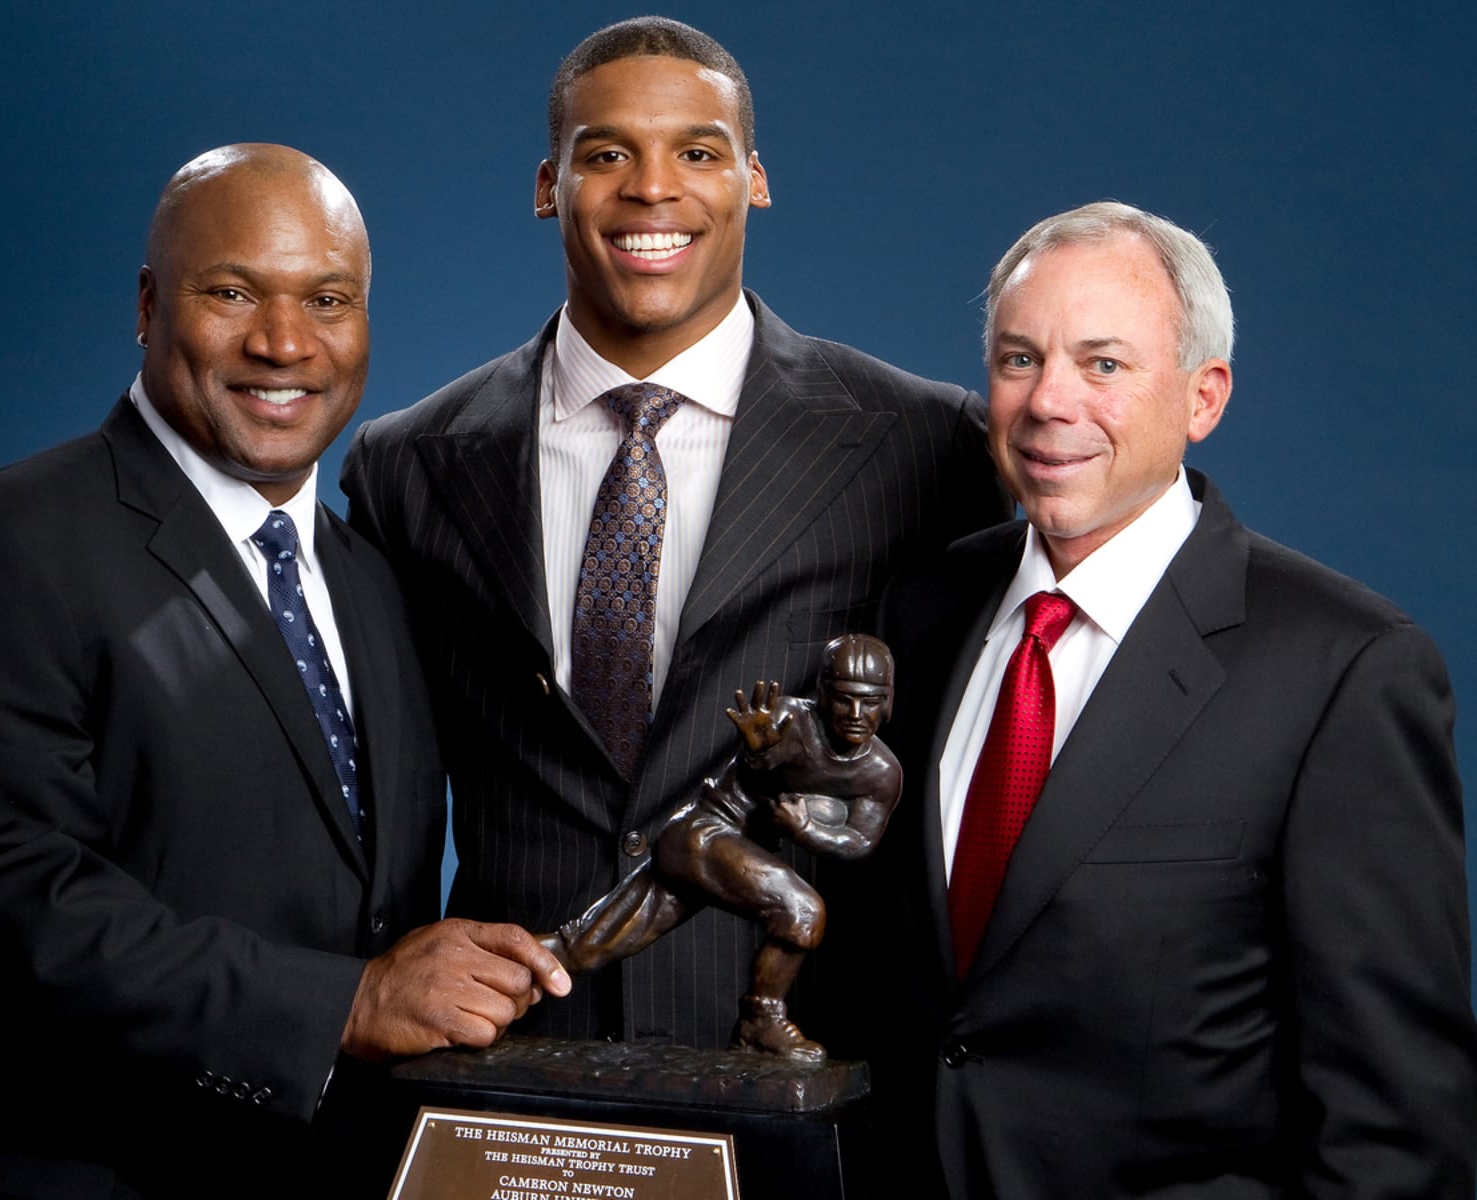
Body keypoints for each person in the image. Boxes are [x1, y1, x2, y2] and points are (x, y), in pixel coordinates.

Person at [0, 143, 567, 1199]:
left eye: (326, 299)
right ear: (150, 306)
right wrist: (342, 1005)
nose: (283, 342)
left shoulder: (373, 584)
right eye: (232, 291)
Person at [342, 16, 1007, 1051]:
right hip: (508, 1068)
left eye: (696, 152)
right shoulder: (404, 464)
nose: (653, 188)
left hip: (805, 1074)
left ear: (753, 178)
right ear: (546, 185)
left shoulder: (927, 449)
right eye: (605, 154)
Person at [873, 201, 1477, 1195]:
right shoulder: (920, 612)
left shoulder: (1344, 669)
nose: (1048, 402)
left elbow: (1398, 1126)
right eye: (1019, 359)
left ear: (1202, 399)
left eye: (1103, 366)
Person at [541, 635, 901, 1063]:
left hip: (729, 856)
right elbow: (758, 767)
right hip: (703, 835)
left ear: (889, 700)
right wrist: (762, 755)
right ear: (822, 694)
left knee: (594, 942)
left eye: (871, 701)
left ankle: (508, 973)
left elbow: (858, 841)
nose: (857, 715)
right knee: (803, 911)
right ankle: (759, 1022)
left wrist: (805, 829)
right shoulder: (787, 719)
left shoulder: (881, 773)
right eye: (844, 700)